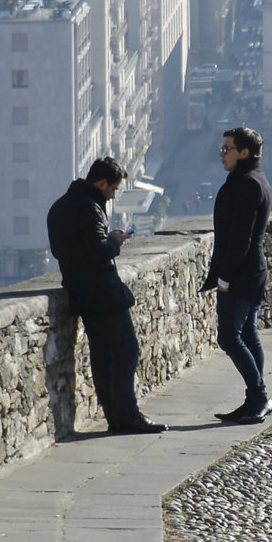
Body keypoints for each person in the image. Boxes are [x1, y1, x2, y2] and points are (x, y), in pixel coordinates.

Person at [45, 158, 166, 435]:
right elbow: (98, 252)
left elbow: (61, 250)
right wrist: (114, 240)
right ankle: (129, 416)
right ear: (101, 183)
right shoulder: (89, 208)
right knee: (126, 351)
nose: (113, 195)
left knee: (102, 356)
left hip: (80, 293)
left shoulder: (60, 206)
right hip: (103, 293)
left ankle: (115, 417)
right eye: (113, 189)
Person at [204, 124, 272, 425]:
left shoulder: (247, 184)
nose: (221, 154)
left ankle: (259, 397)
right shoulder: (251, 179)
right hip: (251, 271)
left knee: (229, 337)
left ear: (243, 152)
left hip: (242, 274)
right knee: (247, 334)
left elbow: (241, 238)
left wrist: (225, 278)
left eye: (227, 149)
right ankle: (253, 400)